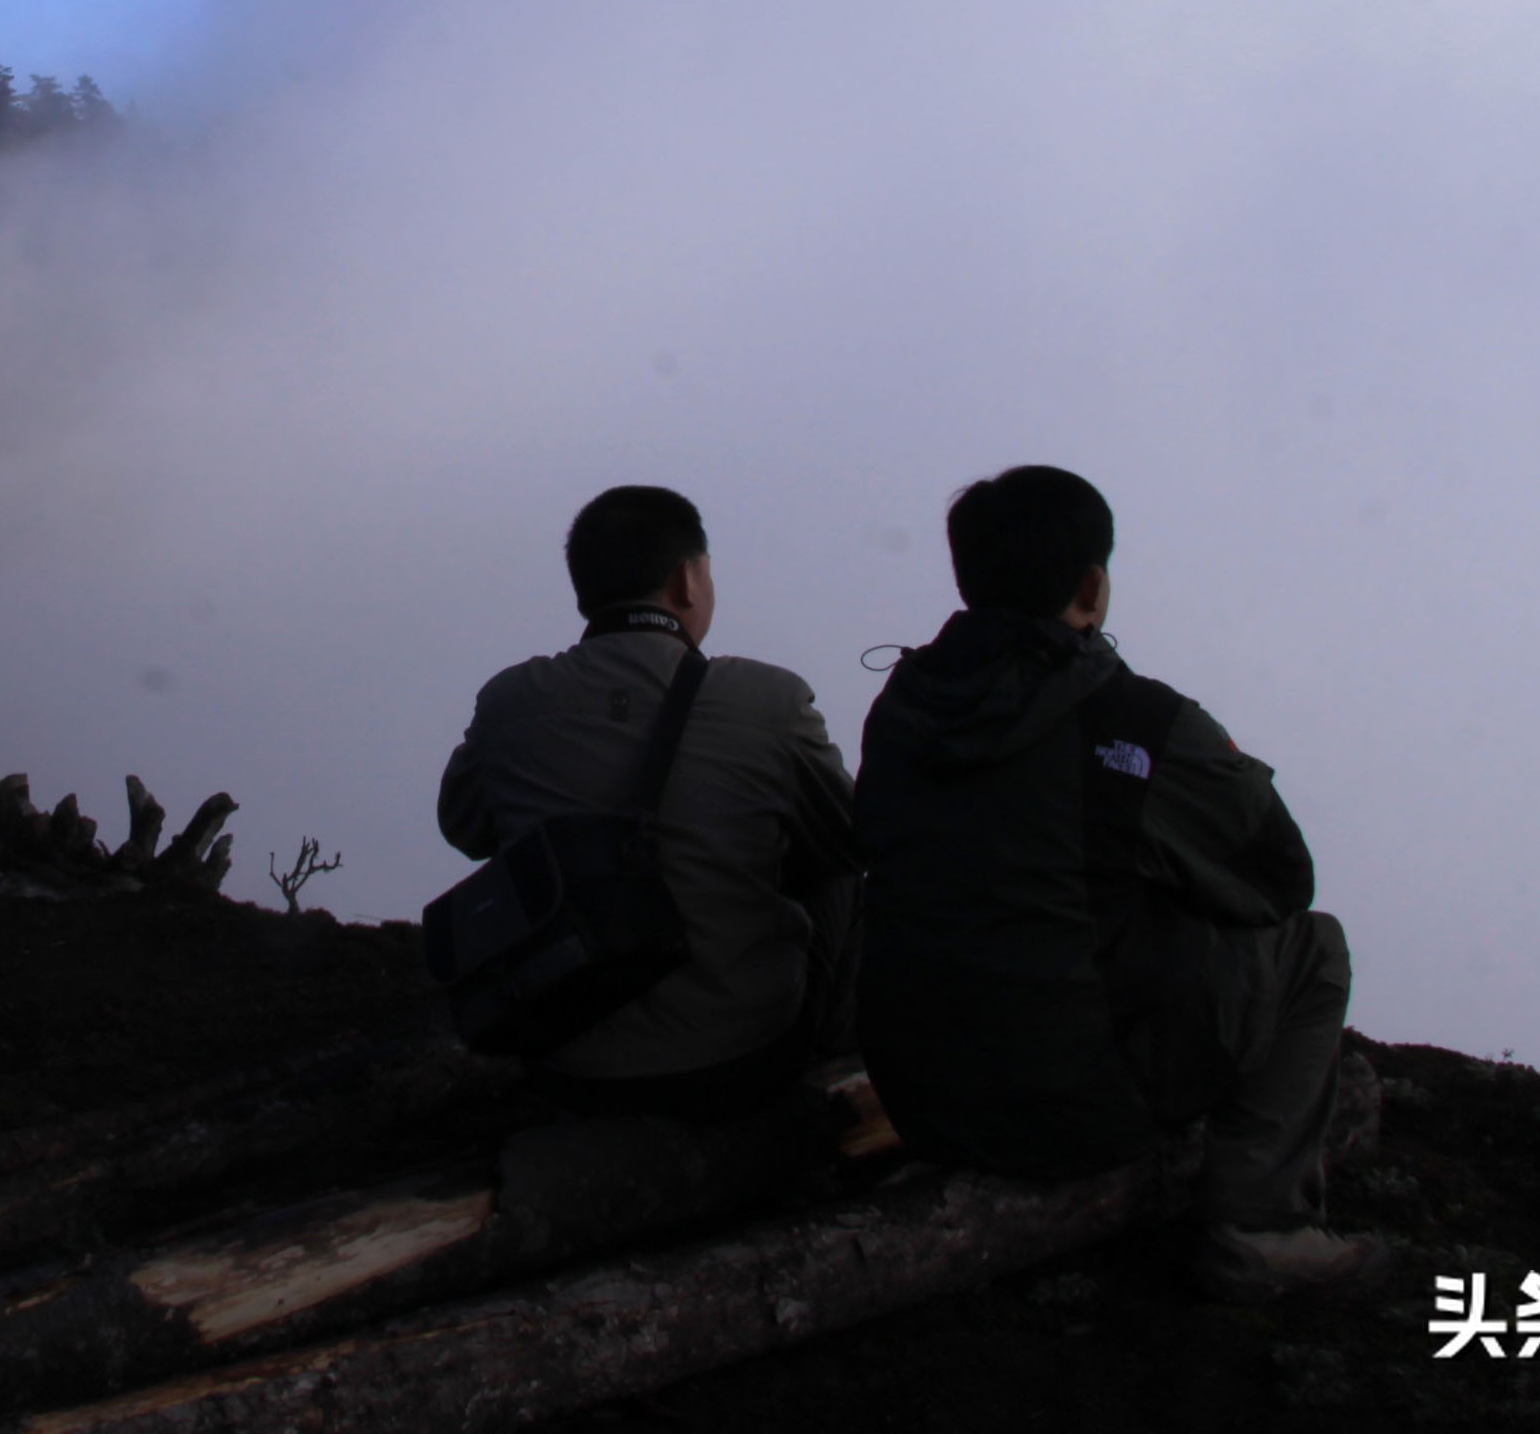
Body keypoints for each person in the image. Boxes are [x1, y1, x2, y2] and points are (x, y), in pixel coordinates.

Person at [854, 466, 1389, 1302]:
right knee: (1315, 947)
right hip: (1074, 1111)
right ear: (1093, 586)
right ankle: (1263, 1230)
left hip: (923, 1101)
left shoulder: (903, 708)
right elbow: (1283, 878)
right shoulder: (1139, 722)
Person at [438, 484, 860, 1124]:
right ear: (688, 581)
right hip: (742, 1057)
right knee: (839, 877)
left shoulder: (508, 701)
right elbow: (851, 838)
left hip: (568, 1065)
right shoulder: (769, 698)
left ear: (585, 590)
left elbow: (466, 827)